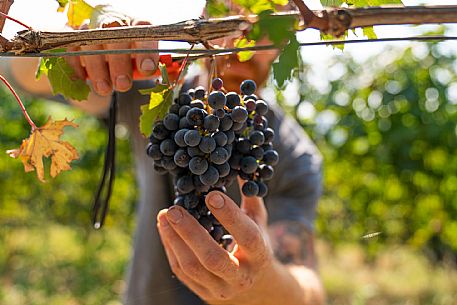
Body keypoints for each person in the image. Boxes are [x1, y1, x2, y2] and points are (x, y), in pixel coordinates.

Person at [0, 2, 325, 305]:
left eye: (266, 24)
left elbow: (309, 289)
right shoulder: (158, 100)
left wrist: (264, 279)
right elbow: (20, 73)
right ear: (206, 19)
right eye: (234, 16)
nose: (242, 41)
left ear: (285, 41)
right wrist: (78, 47)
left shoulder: (293, 154)